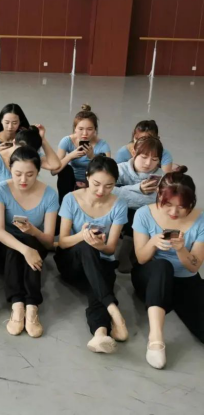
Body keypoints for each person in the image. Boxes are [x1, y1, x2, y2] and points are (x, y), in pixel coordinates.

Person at [132, 167, 204, 370]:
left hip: (184, 278)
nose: (174, 212)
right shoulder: (143, 214)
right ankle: (155, 338)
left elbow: (194, 267)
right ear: (159, 195)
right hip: (151, 276)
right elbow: (141, 258)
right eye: (168, 205)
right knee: (162, 266)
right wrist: (153, 242)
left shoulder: (201, 220)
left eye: (181, 207)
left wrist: (181, 249)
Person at [55, 156, 128, 355]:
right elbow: (63, 241)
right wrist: (83, 236)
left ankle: (100, 333)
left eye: (109, 186)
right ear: (87, 176)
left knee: (98, 283)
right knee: (86, 247)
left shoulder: (119, 205)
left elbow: (111, 249)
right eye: (96, 184)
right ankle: (114, 310)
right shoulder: (71, 199)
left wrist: (101, 245)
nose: (101, 191)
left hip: (101, 261)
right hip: (72, 262)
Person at [0, 147, 58, 337]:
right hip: (6, 246)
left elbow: (48, 241)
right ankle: (18, 305)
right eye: (17, 174)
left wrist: (33, 231)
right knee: (18, 244)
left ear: (38, 171)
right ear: (10, 169)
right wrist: (25, 250)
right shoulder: (1, 189)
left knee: (27, 239)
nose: (23, 180)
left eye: (30, 174)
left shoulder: (50, 195)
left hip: (35, 243)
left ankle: (31, 306)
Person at [114, 137, 165, 273]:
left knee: (144, 213)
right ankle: (125, 252)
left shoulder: (161, 176)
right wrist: (138, 189)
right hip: (120, 211)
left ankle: (135, 252)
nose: (148, 163)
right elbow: (106, 191)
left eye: (154, 159)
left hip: (144, 215)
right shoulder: (120, 169)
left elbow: (158, 201)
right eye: (144, 157)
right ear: (133, 152)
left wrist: (123, 192)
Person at [55, 104, 111, 202]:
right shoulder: (67, 141)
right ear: (75, 129)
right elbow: (54, 170)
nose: (85, 133)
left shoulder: (103, 145)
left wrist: (92, 157)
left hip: (93, 182)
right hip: (71, 181)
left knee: (102, 160)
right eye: (80, 129)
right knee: (65, 170)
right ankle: (64, 202)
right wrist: (71, 156)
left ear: (95, 130)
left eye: (89, 129)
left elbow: (109, 172)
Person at [0, 124, 61, 190]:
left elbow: (55, 165)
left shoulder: (31, 154)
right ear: (14, 142)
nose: (23, 155)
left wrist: (43, 139)